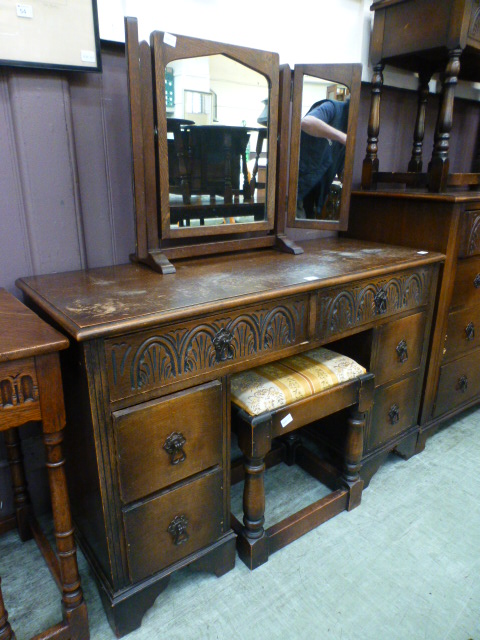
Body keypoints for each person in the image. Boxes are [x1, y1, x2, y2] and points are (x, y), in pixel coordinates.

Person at [296, 98, 349, 219]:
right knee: (297, 231)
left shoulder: (349, 126)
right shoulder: (332, 107)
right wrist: (342, 137)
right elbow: (306, 122)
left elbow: (341, 172)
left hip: (316, 194)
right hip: (298, 187)